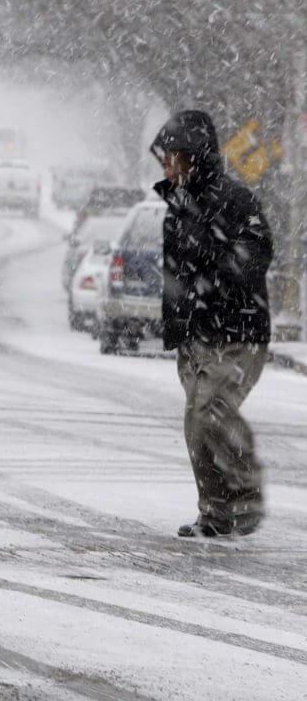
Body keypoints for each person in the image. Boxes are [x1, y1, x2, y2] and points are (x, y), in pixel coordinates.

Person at [150, 110, 273, 538]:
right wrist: (175, 325)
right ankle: (217, 513)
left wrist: (217, 275)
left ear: (193, 156)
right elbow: (174, 274)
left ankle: (245, 495)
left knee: (212, 413)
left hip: (237, 331)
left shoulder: (235, 201)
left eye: (172, 156)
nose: (165, 165)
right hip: (197, 336)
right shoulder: (177, 208)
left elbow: (257, 253)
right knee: (197, 426)